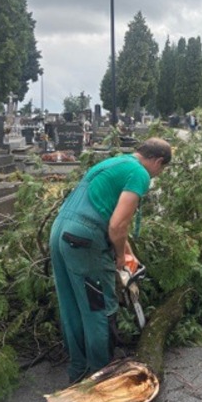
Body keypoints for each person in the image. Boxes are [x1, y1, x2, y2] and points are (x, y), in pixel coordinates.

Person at [49, 138, 172, 382]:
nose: (159, 174)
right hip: (84, 240)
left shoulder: (116, 163)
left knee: (72, 305)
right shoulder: (140, 174)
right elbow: (117, 225)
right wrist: (118, 256)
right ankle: (100, 374)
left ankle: (78, 371)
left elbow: (107, 212)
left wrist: (128, 252)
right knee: (98, 307)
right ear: (158, 161)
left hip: (60, 232)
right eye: (162, 169)